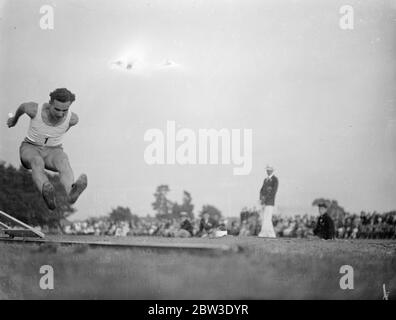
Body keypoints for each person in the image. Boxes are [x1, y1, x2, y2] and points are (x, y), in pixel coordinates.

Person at [7, 88, 87, 210]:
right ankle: (47, 191)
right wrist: (14, 120)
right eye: (57, 109)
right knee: (37, 161)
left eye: (65, 110)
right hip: (31, 147)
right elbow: (22, 107)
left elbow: (59, 132)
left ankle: (71, 194)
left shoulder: (73, 119)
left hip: (53, 150)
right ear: (50, 103)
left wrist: (53, 145)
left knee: (63, 161)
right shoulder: (34, 109)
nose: (60, 114)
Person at [258, 165, 278, 238]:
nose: (268, 171)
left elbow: (273, 192)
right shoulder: (265, 180)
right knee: (265, 217)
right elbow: (262, 189)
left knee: (268, 217)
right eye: (267, 170)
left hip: (270, 201)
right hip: (264, 202)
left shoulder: (275, 179)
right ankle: (268, 233)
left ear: (272, 171)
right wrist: (261, 198)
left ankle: (267, 233)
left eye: (269, 170)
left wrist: (265, 198)